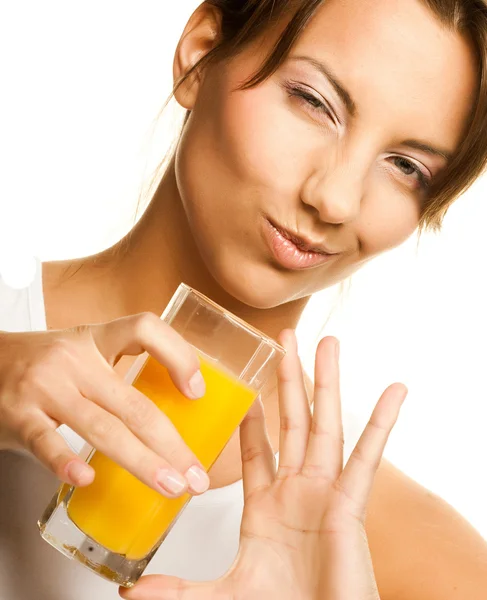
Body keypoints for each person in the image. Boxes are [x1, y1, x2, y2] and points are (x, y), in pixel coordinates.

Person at [1, 0, 487, 598]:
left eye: (406, 166)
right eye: (314, 102)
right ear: (200, 55)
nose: (335, 200)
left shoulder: (400, 547)